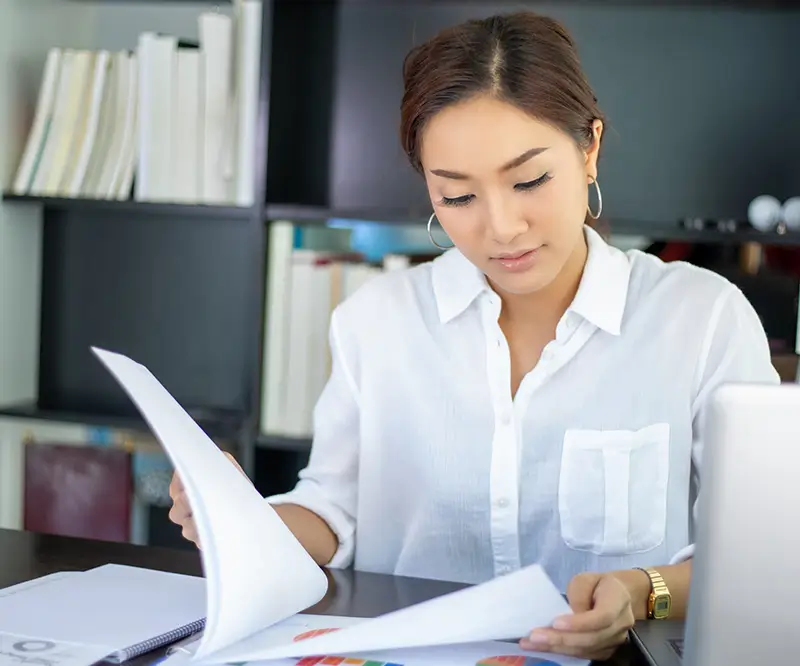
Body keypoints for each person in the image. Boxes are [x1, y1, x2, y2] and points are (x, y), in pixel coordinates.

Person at [169, 10, 780, 662]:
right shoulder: (377, 321)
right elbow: (332, 510)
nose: (502, 227)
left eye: (529, 180)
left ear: (589, 147)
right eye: (457, 197)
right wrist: (243, 520)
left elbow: (758, 548)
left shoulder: (702, 318)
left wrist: (640, 590)